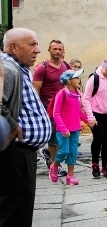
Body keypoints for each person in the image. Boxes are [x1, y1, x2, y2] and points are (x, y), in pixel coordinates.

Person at [0, 28, 52, 227]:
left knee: (21, 213)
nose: (37, 49)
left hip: (23, 153)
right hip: (13, 154)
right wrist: (11, 126)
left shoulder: (17, 67)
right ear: (13, 47)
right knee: (12, 215)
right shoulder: (6, 69)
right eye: (32, 44)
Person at [32, 39, 70, 171]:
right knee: (54, 138)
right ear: (49, 50)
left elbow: (72, 84)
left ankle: (47, 154)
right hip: (49, 108)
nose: (57, 51)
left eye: (60, 49)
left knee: (61, 136)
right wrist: (37, 108)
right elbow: (35, 89)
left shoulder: (66, 66)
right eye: (55, 49)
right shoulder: (42, 68)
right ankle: (55, 166)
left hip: (64, 107)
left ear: (63, 51)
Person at [51, 68, 93, 185]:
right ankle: (54, 166)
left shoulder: (77, 94)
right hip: (63, 130)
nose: (79, 80)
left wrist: (88, 120)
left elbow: (78, 111)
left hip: (75, 129)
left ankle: (70, 176)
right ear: (69, 81)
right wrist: (63, 128)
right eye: (76, 78)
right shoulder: (62, 94)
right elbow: (56, 113)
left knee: (73, 153)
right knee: (64, 151)